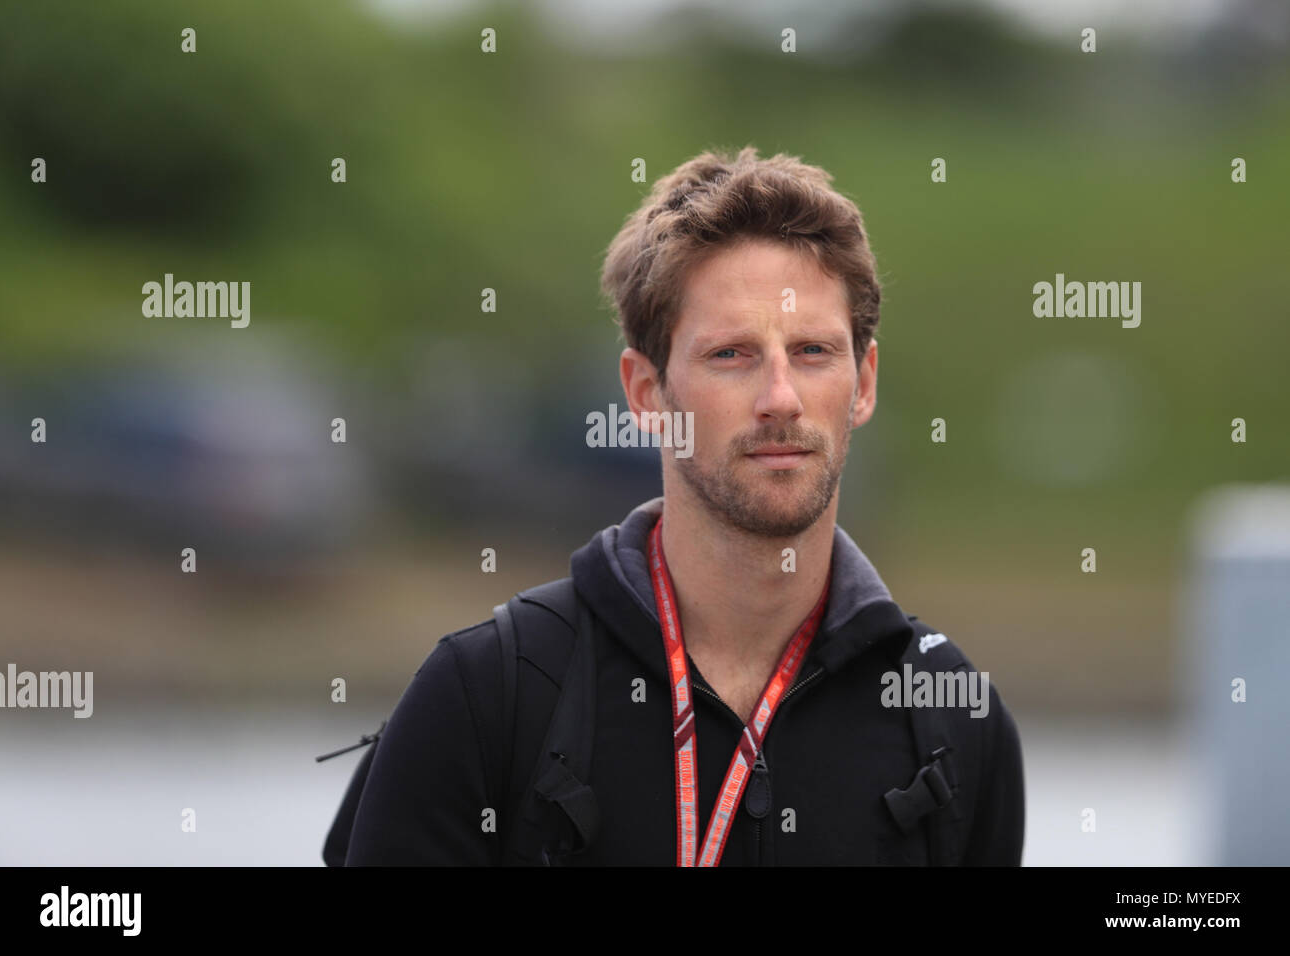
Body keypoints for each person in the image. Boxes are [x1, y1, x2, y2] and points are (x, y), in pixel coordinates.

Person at [341, 145, 1024, 866]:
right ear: (645, 394)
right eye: (732, 355)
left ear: (863, 384)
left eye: (814, 351)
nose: (781, 399)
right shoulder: (487, 696)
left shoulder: (952, 717)